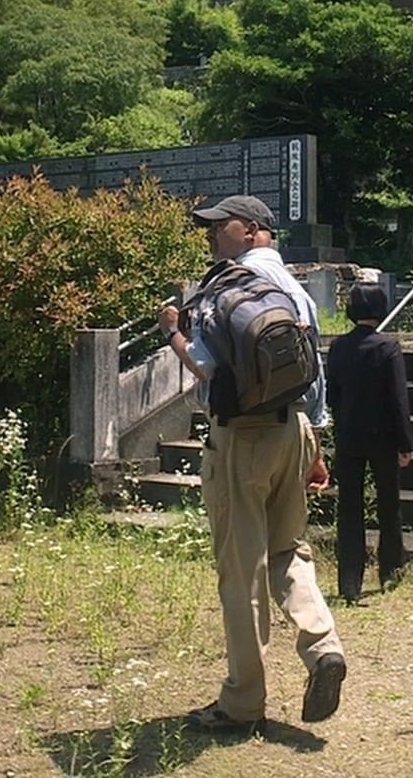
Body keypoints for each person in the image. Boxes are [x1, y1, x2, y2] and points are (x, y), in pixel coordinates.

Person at [157, 194, 344, 733]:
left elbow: (207, 367)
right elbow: (312, 369)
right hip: (294, 431)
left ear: (255, 229)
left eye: (222, 225)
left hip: (241, 440)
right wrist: (314, 444)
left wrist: (172, 331)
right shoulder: (295, 291)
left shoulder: (226, 287)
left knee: (242, 572)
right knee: (289, 550)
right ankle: (322, 647)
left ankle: (242, 702)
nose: (212, 235)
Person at [324, 282, 413, 603]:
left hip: (348, 436)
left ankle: (349, 581)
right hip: (383, 438)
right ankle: (391, 570)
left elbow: (331, 395)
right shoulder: (388, 347)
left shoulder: (337, 348)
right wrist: (405, 442)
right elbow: (398, 399)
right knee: (389, 504)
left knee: (349, 508)